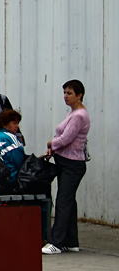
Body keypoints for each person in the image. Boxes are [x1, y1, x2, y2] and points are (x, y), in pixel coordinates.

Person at [42, 80, 91, 255]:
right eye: (64, 92)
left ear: (79, 95)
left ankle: (56, 242)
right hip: (64, 161)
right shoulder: (73, 113)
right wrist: (53, 148)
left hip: (73, 164)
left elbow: (65, 139)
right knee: (69, 200)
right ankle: (71, 240)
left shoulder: (79, 115)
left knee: (63, 200)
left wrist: (50, 143)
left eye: (69, 93)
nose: (65, 96)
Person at [0, 109, 25, 191]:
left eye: (18, 123)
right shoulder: (10, 138)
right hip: (10, 179)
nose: (17, 126)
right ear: (4, 125)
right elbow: (19, 162)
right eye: (14, 123)